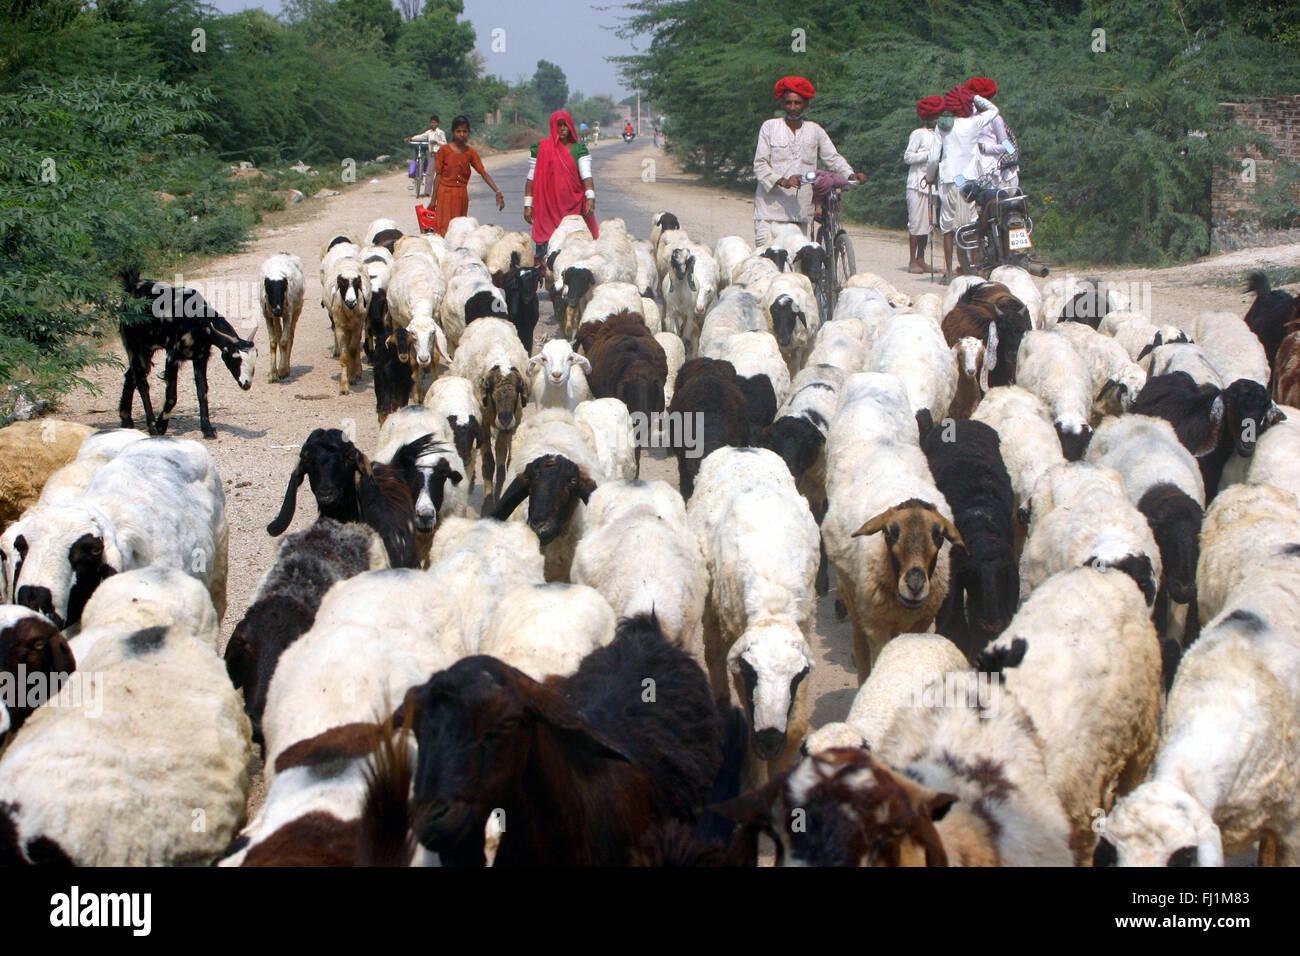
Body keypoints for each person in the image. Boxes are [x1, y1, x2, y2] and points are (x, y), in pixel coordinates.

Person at [752, 76, 866, 248]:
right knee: (767, 260)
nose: (792, 108)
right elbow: (760, 164)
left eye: (797, 103)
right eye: (788, 103)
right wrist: (783, 181)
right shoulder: (769, 127)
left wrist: (850, 174)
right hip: (770, 211)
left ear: (806, 105)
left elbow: (833, 158)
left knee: (799, 265)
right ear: (782, 104)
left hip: (801, 211)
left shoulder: (815, 130)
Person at [936, 86, 999, 281]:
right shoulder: (975, 123)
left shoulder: (944, 125)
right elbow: (994, 110)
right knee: (971, 223)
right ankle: (974, 268)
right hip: (969, 178)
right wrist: (975, 96)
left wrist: (931, 175)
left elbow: (932, 157)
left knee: (947, 225)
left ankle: (949, 271)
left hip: (950, 178)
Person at [525, 109, 599, 264]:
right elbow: (531, 179)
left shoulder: (580, 149)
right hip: (547, 207)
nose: (563, 128)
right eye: (559, 125)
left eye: (565, 125)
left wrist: (590, 198)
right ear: (553, 126)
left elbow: (586, 175)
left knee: (576, 245)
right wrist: (528, 205)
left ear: (571, 126)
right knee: (547, 248)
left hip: (574, 206)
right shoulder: (540, 148)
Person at [427, 115, 504, 237]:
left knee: (460, 230)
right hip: (445, 194)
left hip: (461, 196)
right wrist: (433, 201)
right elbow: (438, 176)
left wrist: (497, 191)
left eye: (464, 131)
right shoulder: (444, 151)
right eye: (458, 131)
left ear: (468, 132)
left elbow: (483, 173)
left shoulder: (470, 153)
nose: (461, 134)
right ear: (453, 132)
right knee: (444, 230)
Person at [905, 96, 944, 273]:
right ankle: (912, 260)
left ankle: (921, 258)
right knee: (915, 223)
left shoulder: (940, 135)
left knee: (929, 225)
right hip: (916, 184)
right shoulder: (918, 134)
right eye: (934, 116)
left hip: (932, 186)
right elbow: (908, 157)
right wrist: (927, 155)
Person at [965, 76, 1019, 190]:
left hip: (991, 170)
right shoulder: (970, 116)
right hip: (972, 168)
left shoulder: (995, 119)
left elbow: (1008, 148)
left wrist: (983, 147)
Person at [405, 114, 446, 198]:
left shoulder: (440, 132)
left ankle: (443, 191)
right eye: (432, 123)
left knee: (441, 173)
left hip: (440, 153)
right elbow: (420, 137)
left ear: (438, 123)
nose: (433, 124)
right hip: (432, 154)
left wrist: (437, 142)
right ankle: (427, 192)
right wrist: (411, 138)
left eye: (434, 122)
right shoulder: (429, 132)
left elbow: (444, 143)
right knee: (429, 173)